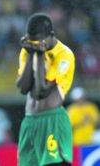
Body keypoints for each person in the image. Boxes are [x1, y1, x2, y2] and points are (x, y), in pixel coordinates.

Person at [16, 13, 75, 166]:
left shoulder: (64, 55)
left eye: (38, 41)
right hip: (29, 122)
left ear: (51, 35)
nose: (35, 44)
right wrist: (30, 55)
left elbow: (41, 92)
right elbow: (23, 88)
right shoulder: (28, 49)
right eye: (31, 40)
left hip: (52, 120)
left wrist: (40, 56)